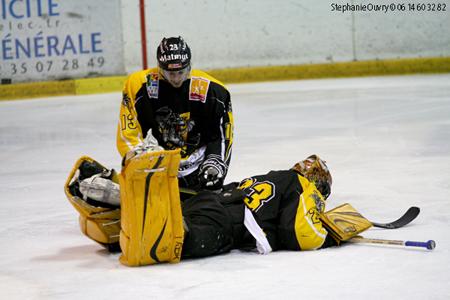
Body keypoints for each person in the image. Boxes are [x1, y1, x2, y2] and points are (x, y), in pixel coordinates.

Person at [64, 152, 339, 265]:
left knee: (171, 215)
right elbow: (300, 233)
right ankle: (127, 199)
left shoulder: (270, 177)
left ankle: (116, 195)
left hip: (211, 201)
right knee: (172, 241)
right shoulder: (302, 186)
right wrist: (331, 237)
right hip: (223, 222)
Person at [117, 36, 233, 191]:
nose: (177, 79)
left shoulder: (212, 90)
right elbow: (128, 134)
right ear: (159, 67)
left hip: (198, 168)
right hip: (158, 166)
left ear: (189, 65)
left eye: (181, 72)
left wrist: (215, 160)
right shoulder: (139, 85)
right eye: (171, 73)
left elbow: (220, 134)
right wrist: (141, 159)